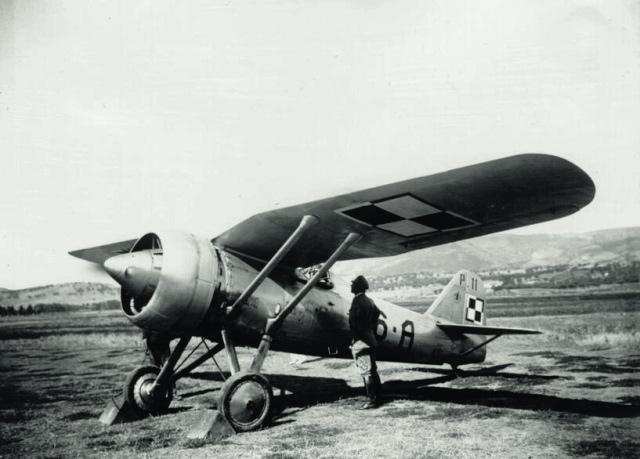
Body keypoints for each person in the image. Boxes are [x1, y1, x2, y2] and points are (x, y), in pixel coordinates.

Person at [348, 275, 382, 409]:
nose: (351, 286)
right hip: (370, 339)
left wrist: (356, 338)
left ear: (357, 287)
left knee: (366, 372)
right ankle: (378, 396)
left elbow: (354, 322)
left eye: (353, 284)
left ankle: (372, 400)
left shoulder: (357, 301)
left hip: (361, 341)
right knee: (373, 370)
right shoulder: (369, 300)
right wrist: (370, 328)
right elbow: (377, 312)